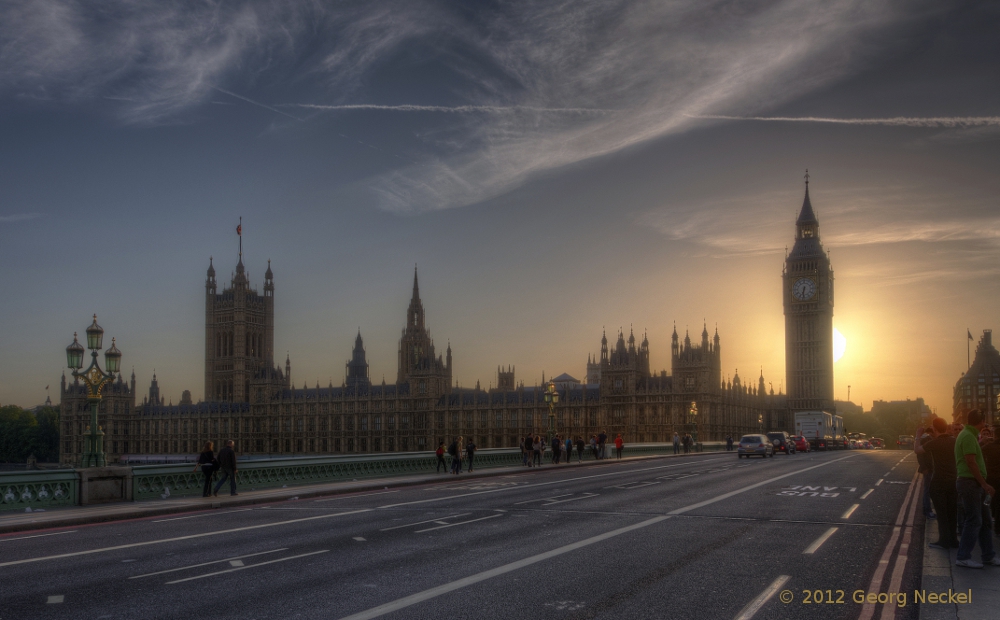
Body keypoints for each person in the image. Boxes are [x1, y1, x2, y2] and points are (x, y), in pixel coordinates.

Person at [954, 409, 998, 568]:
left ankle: (988, 556)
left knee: (985, 521)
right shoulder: (967, 436)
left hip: (974, 484)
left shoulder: (969, 436)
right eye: (984, 421)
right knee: (974, 520)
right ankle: (963, 556)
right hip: (970, 483)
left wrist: (980, 443)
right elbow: (970, 462)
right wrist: (985, 484)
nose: (985, 424)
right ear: (980, 422)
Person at [916, 418, 957, 549]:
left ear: (934, 428)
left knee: (941, 513)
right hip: (953, 480)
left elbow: (917, 450)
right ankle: (953, 540)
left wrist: (917, 436)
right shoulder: (954, 441)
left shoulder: (934, 443)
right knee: (952, 511)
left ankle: (944, 540)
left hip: (939, 482)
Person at [980, 427, 1000, 536]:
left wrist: (982, 442)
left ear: (995, 435)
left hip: (991, 480)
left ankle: (987, 523)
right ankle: (998, 527)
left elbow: (978, 451)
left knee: (988, 500)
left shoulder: (989, 446)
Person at [915, 426, 936, 519]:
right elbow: (920, 454)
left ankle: (927, 510)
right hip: (928, 468)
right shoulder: (927, 439)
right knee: (927, 490)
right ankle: (927, 511)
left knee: (928, 490)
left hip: (929, 468)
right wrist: (924, 467)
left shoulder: (926, 438)